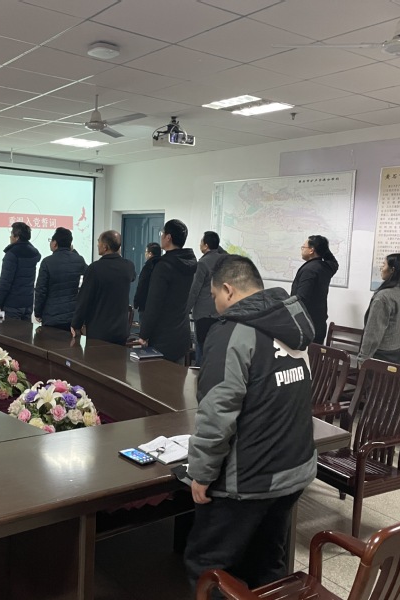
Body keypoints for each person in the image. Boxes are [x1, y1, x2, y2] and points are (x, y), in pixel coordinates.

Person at [184, 255, 316, 593]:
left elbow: (217, 412)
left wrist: (201, 472)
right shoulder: (292, 324)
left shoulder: (232, 333)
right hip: (294, 468)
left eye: (215, 296)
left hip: (250, 478)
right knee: (267, 563)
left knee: (208, 567)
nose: (215, 305)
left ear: (228, 290)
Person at [138, 219, 197, 363]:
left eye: (162, 233)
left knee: (156, 376)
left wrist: (144, 334)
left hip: (162, 335)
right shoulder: (190, 263)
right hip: (181, 332)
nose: (161, 236)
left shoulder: (163, 266)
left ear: (168, 237)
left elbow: (154, 303)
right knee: (177, 376)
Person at [71, 230, 136, 344]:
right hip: (121, 330)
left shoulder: (94, 268)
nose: (97, 245)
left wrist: (76, 324)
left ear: (105, 247)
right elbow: (132, 277)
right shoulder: (129, 266)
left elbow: (84, 299)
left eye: (99, 242)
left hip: (99, 330)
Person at [357, 253, 400, 366]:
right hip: (397, 355)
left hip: (380, 357)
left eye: (384, 264)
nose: (381, 268)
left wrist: (363, 359)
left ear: (392, 270)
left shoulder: (383, 297)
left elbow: (373, 333)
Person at [186, 231, 227, 365]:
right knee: (215, 348)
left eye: (201, 242)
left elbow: (194, 290)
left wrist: (185, 310)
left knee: (201, 347)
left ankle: (199, 374)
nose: (200, 244)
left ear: (206, 245)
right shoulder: (224, 260)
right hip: (220, 311)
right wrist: (215, 247)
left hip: (203, 314)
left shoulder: (203, 263)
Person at [34, 227, 87, 330]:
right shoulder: (79, 260)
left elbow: (41, 290)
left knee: (50, 340)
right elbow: (89, 273)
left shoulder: (47, 262)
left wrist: (38, 312)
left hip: (51, 316)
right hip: (72, 316)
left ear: (55, 243)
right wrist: (73, 252)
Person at [291, 234, 339, 344]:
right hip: (319, 324)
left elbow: (301, 298)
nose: (302, 250)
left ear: (311, 250)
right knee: (316, 353)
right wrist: (323, 248)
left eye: (303, 247)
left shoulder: (309, 270)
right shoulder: (326, 267)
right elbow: (334, 262)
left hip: (306, 327)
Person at [0, 221, 41, 320]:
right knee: (26, 330)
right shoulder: (33, 253)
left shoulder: (11, 254)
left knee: (10, 330)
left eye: (11, 234)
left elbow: (5, 281)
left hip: (12, 305)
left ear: (17, 237)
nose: (10, 237)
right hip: (28, 304)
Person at [133, 242, 161, 317]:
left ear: (150, 254)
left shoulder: (148, 267)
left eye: (146, 251)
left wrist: (136, 302)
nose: (145, 254)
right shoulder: (163, 266)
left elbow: (141, 285)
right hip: (159, 305)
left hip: (145, 305)